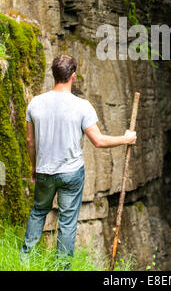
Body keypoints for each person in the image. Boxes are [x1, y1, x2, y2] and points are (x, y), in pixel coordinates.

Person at [20, 54, 136, 269]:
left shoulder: (34, 103)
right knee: (67, 221)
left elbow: (30, 140)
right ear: (73, 76)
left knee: (38, 211)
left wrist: (34, 167)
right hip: (72, 173)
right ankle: (61, 267)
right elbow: (99, 141)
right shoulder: (82, 106)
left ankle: (24, 260)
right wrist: (126, 138)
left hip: (45, 170)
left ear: (53, 75)